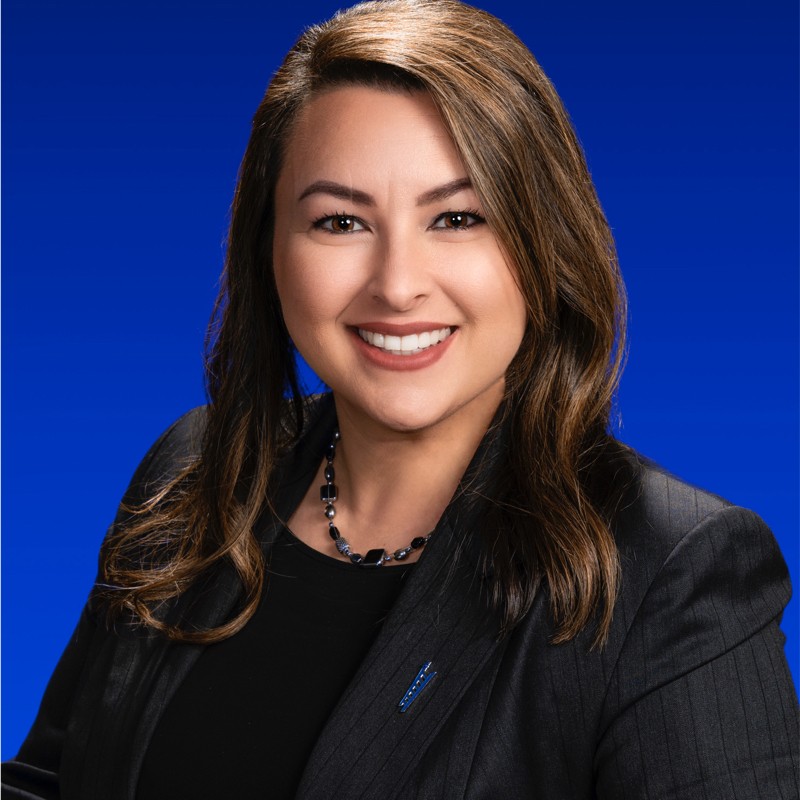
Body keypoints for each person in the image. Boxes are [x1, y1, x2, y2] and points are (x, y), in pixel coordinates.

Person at [3, 0, 797, 797]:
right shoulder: (193, 467)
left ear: (544, 243)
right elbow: (53, 780)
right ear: (268, 249)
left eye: (456, 218)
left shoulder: (672, 574)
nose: (398, 284)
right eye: (341, 221)